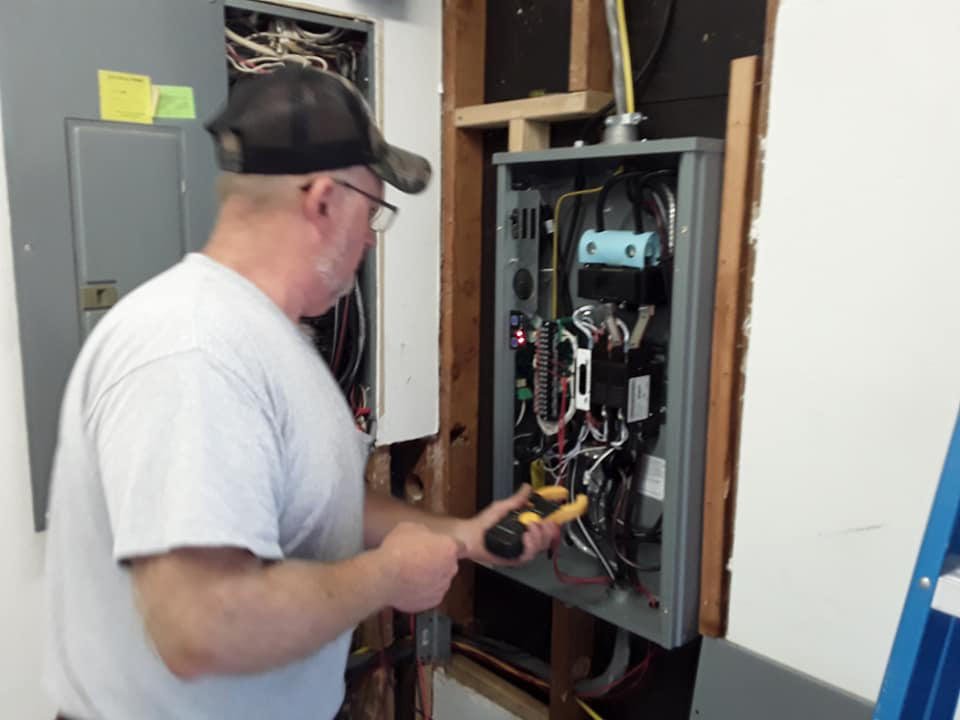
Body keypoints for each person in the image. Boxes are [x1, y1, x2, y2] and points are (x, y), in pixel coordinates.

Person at [44, 66, 558, 720]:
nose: (370, 239)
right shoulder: (194, 347)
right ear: (320, 199)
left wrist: (463, 536)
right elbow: (199, 627)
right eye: (372, 212)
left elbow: (317, 496)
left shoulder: (266, 338)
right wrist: (384, 578)